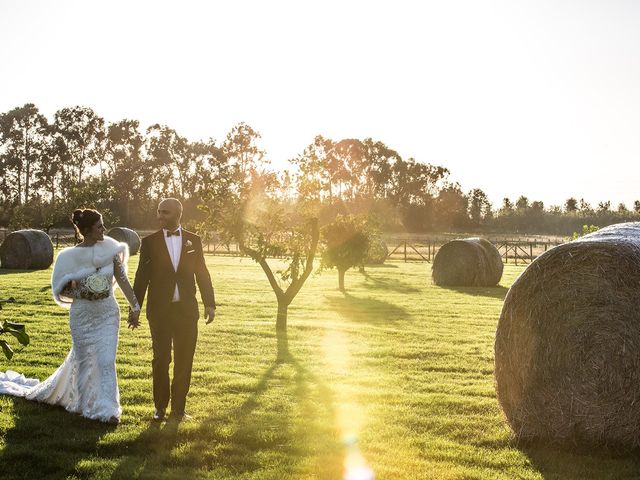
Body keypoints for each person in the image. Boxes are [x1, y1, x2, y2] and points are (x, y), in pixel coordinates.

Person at [0, 208, 141, 424]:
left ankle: (108, 409)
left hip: (108, 314)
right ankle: (83, 403)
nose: (104, 229)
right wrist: (84, 292)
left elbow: (122, 279)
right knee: (84, 360)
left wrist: (135, 306)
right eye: (99, 226)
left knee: (105, 360)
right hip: (82, 316)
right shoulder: (67, 257)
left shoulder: (112, 248)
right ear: (86, 230)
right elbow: (62, 289)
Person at [131, 198, 216, 422]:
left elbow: (202, 273)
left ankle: (179, 410)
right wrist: (135, 306)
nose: (160, 216)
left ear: (179, 213)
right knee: (161, 359)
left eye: (165, 212)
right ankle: (159, 408)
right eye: (159, 212)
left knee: (184, 359)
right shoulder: (149, 242)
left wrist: (210, 303)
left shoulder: (193, 241)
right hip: (159, 312)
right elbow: (142, 277)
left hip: (187, 311)